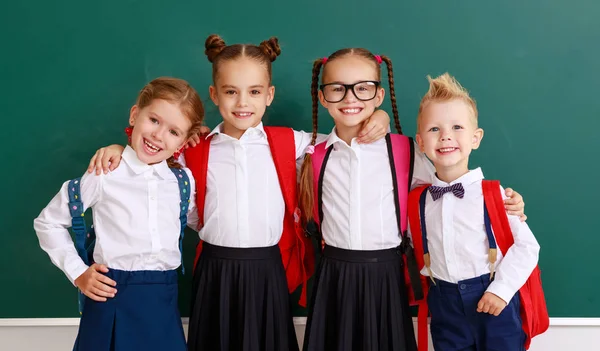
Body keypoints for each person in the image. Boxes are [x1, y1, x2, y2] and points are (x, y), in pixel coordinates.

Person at [86, 35, 391, 351]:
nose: (243, 102)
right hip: (215, 268)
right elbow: (147, 157)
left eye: (254, 92)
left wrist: (378, 117)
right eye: (231, 92)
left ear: (269, 95)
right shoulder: (194, 148)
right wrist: (116, 148)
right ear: (214, 95)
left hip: (268, 267)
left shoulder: (293, 142)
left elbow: (343, 140)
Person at [297, 50, 526, 351]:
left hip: (388, 275)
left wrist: (503, 204)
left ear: (379, 95)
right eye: (337, 88)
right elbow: (257, 138)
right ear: (323, 97)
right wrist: (209, 130)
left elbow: (447, 188)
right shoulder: (308, 149)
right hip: (334, 276)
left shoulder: (406, 151)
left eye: (362, 88)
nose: (350, 97)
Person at [33, 77, 204, 351]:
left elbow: (201, 222)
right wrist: (78, 273)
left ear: (184, 141)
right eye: (154, 120)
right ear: (135, 115)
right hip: (111, 299)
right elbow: (47, 222)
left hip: (163, 303)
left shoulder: (183, 181)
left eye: (174, 132)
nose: (159, 135)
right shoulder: (104, 172)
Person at [410, 73, 540, 351]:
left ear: (476, 138)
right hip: (443, 302)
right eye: (434, 129)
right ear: (421, 143)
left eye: (457, 127)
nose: (445, 136)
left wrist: (501, 291)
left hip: (492, 298)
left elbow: (527, 246)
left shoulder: (494, 194)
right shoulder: (418, 199)